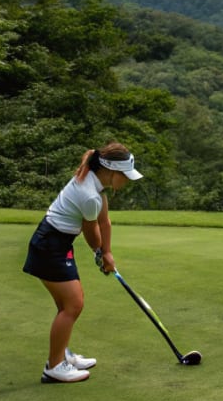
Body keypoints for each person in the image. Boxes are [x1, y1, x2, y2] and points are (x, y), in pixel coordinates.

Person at [23, 142, 143, 384]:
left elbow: (105, 222)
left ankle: (62, 354)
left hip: (57, 244)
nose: (127, 181)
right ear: (111, 171)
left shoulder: (95, 186)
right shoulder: (89, 194)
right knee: (73, 304)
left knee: (67, 305)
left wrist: (107, 252)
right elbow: (91, 231)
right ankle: (54, 366)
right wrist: (101, 253)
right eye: (125, 176)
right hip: (49, 246)